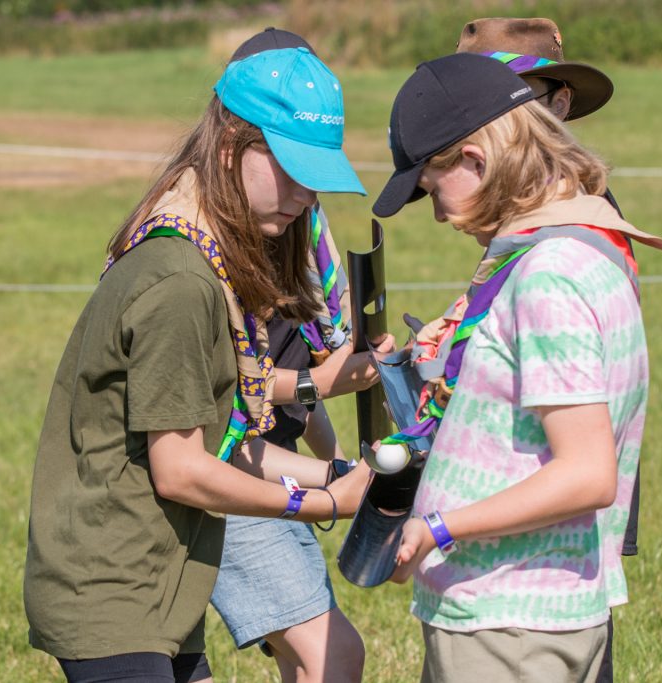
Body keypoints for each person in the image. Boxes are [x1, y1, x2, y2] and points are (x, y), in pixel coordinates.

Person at [23, 46, 376, 683]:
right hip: (114, 588)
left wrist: (345, 475)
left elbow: (227, 443)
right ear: (228, 148)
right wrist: (321, 503)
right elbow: (183, 471)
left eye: (314, 175)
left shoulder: (208, 259)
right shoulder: (184, 281)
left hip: (161, 581)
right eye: (290, 170)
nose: (304, 196)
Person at [372, 53, 662, 682]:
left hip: (508, 623)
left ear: (476, 161)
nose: (437, 213)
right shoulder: (585, 245)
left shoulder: (548, 273)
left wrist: (439, 527)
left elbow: (588, 474)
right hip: (539, 609)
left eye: (432, 187)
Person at [454, 17, 643, 682]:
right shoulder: (531, 194)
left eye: (525, 97)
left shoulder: (567, 220)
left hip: (554, 472)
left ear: (559, 103)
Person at [207, 27, 389, 683]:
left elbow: (313, 342)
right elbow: (230, 394)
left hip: (270, 462)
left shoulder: (293, 221)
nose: (303, 190)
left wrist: (333, 456)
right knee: (334, 654)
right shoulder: (207, 244)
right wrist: (321, 387)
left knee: (310, 657)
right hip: (232, 468)